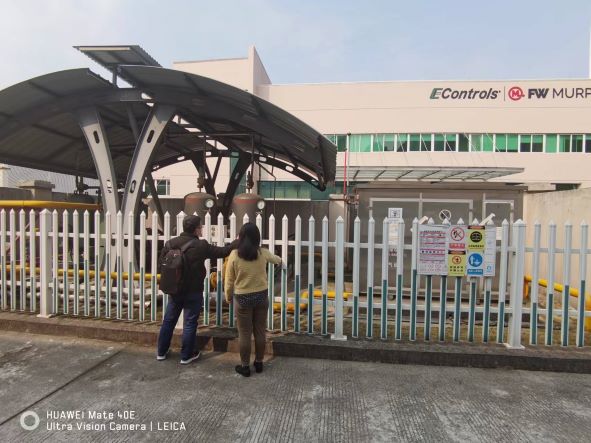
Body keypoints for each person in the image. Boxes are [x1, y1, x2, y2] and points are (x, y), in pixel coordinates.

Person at [157, 214, 237, 364]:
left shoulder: (170, 244)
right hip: (193, 290)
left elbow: (161, 264)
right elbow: (223, 252)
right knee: (190, 323)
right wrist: (236, 242)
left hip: (175, 289)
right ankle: (186, 355)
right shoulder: (200, 246)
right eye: (200, 227)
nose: (201, 229)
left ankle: (161, 352)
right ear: (196, 229)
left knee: (169, 320)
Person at [225, 222, 283, 377]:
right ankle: (259, 362)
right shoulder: (262, 253)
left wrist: (228, 296)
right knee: (259, 330)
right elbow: (277, 260)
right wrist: (280, 261)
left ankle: (245, 366)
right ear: (257, 238)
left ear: (241, 237)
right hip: (261, 296)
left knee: (244, 333)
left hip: (242, 298)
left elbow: (229, 280)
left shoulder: (234, 255)